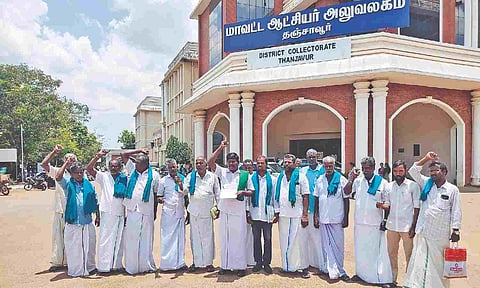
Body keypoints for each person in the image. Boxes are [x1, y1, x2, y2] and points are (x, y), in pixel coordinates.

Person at [403, 152, 462, 288]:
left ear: (444, 172)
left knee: (438, 263)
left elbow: (456, 211)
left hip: (440, 234)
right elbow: (413, 170)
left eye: (436, 170)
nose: (433, 173)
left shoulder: (452, 190)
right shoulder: (426, 184)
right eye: (431, 171)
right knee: (420, 260)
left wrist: (456, 230)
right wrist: (427, 158)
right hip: (424, 230)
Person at [345, 156, 393, 287]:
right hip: (360, 222)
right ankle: (361, 274)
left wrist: (385, 220)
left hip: (375, 224)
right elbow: (346, 192)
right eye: (363, 168)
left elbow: (388, 204)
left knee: (376, 252)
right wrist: (351, 178)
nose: (365, 170)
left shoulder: (382, 183)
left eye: (368, 168)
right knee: (361, 250)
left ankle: (379, 278)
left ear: (373, 168)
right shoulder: (358, 182)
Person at [207, 141, 252, 277]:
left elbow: (251, 191)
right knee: (225, 238)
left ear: (238, 162)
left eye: (234, 161)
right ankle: (225, 266)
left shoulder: (245, 175)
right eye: (230, 161)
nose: (231, 164)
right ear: (227, 162)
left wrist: (243, 193)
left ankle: (240, 266)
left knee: (238, 238)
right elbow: (210, 162)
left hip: (238, 210)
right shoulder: (223, 172)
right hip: (225, 209)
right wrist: (221, 147)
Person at [376, 160, 420, 286]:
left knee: (409, 255)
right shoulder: (389, 186)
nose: (398, 174)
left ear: (405, 171)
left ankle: (410, 282)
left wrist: (414, 225)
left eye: (401, 171)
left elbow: (417, 207)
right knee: (391, 254)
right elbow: (388, 205)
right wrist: (380, 205)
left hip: (407, 227)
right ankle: (393, 279)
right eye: (395, 171)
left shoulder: (413, 186)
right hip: (391, 226)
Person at [55, 158, 99, 277]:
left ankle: (90, 267)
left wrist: (98, 216)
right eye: (76, 172)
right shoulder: (68, 184)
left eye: (81, 172)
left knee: (89, 246)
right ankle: (76, 270)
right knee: (73, 247)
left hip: (87, 221)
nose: (79, 174)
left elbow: (95, 200)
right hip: (73, 221)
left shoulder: (88, 184)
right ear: (71, 173)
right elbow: (58, 177)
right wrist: (66, 164)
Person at [86, 150, 126, 274]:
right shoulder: (104, 177)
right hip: (107, 212)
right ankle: (104, 266)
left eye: (115, 166)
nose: (113, 168)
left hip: (120, 212)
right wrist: (97, 156)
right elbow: (89, 169)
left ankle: (116, 265)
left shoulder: (125, 178)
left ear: (120, 168)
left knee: (119, 240)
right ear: (108, 167)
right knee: (106, 239)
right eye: (111, 166)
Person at [121, 151, 159, 275]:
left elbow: (155, 194)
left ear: (145, 164)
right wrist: (139, 152)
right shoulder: (132, 170)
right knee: (132, 238)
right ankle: (131, 267)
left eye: (138, 162)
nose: (135, 164)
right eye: (135, 162)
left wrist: (154, 212)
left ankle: (145, 266)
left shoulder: (154, 175)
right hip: (132, 209)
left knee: (146, 239)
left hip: (147, 210)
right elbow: (124, 155)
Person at [40, 144, 77, 272]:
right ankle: (57, 262)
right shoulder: (58, 171)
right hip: (60, 209)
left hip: (74, 210)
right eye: (67, 159)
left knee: (73, 237)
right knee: (58, 236)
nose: (70, 161)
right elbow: (44, 164)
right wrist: (54, 151)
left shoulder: (78, 174)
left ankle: (71, 261)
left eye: (72, 160)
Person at [313, 156, 350, 281]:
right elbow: (316, 199)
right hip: (324, 218)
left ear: (334, 166)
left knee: (338, 246)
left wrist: (346, 217)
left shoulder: (341, 179)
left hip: (337, 218)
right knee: (325, 245)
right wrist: (315, 216)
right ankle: (327, 269)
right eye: (326, 166)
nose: (328, 168)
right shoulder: (320, 180)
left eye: (330, 166)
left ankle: (340, 270)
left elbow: (346, 199)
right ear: (323, 166)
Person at [275, 154, 310, 278]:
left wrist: (305, 215)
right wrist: (276, 211)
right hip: (284, 214)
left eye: (289, 162)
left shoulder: (301, 177)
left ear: (295, 163)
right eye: (285, 162)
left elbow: (306, 196)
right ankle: (288, 267)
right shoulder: (280, 177)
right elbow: (276, 196)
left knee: (299, 242)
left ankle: (304, 267)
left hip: (297, 214)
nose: (286, 164)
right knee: (284, 241)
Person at [182, 156, 220, 272]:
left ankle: (208, 263)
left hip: (207, 212)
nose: (198, 165)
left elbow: (217, 194)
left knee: (208, 237)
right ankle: (196, 262)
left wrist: (218, 207)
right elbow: (184, 190)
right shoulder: (190, 176)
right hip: (194, 211)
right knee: (195, 238)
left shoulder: (212, 177)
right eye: (197, 163)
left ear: (205, 165)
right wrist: (180, 185)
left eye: (200, 163)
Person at [246, 155, 278, 274]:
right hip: (255, 213)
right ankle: (258, 262)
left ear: (266, 164)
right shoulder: (251, 178)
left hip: (267, 214)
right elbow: (248, 198)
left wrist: (276, 212)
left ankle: (267, 263)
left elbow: (275, 196)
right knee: (256, 239)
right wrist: (247, 211)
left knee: (268, 239)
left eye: (262, 163)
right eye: (258, 163)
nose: (260, 165)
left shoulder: (272, 180)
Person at [157, 158, 187, 271]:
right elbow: (159, 196)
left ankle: (180, 263)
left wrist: (180, 183)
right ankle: (167, 264)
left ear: (177, 167)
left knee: (180, 238)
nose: (173, 169)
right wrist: (160, 199)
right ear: (167, 169)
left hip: (179, 211)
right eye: (170, 167)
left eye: (174, 167)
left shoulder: (183, 178)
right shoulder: (163, 181)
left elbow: (186, 194)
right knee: (167, 238)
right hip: (168, 213)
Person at [299, 148, 325, 271]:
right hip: (305, 208)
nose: (311, 159)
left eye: (313, 156)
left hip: (317, 208)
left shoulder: (323, 170)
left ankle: (320, 263)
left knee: (317, 238)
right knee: (305, 237)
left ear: (317, 157)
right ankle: (306, 262)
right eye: (309, 157)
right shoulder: (303, 170)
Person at [242, 158, 256, 267]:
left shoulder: (255, 177)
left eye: (249, 167)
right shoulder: (242, 177)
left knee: (253, 236)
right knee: (244, 235)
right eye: (245, 167)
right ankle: (244, 258)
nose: (247, 168)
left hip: (255, 209)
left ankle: (252, 259)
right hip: (243, 209)